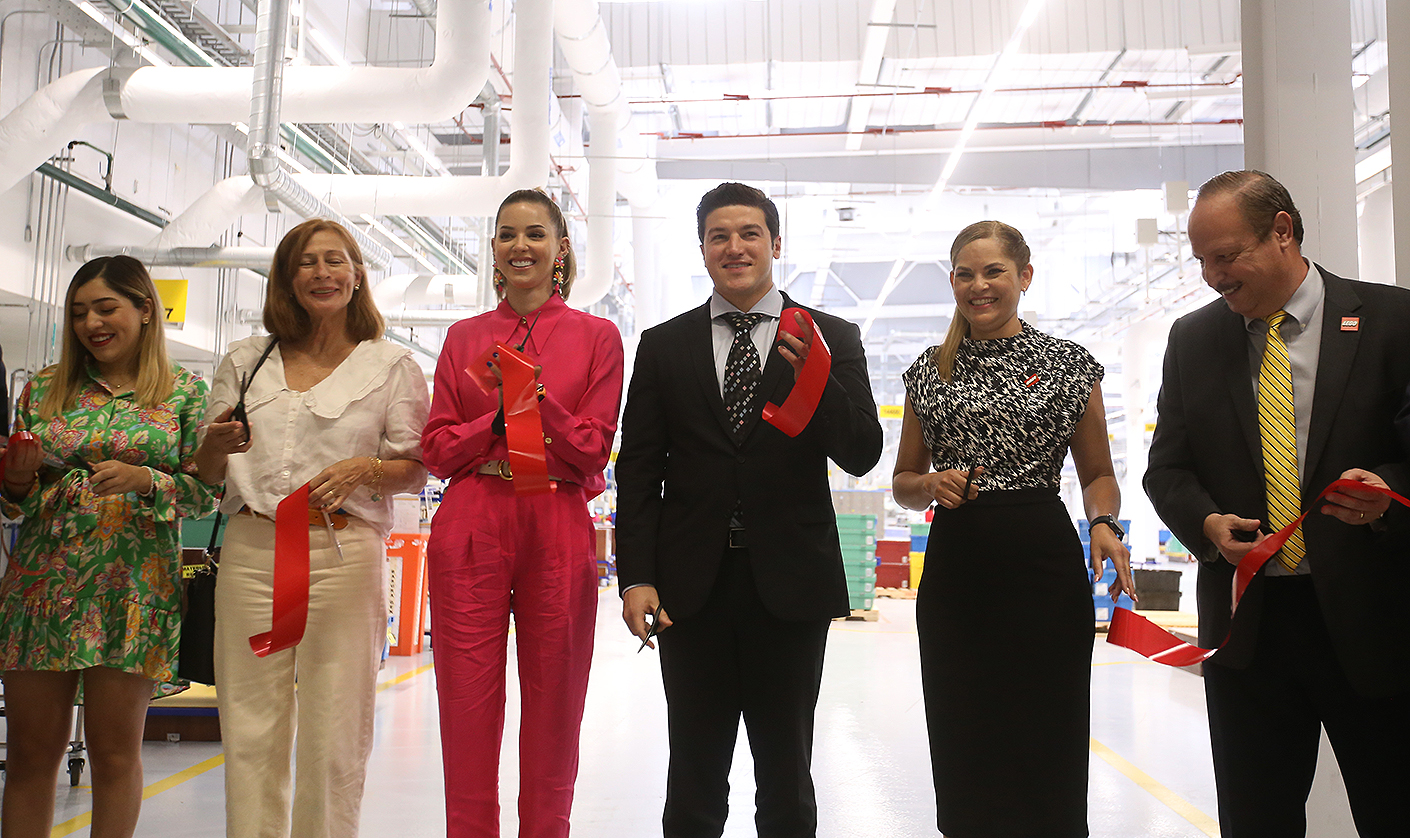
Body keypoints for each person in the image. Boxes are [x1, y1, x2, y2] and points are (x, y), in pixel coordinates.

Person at [1144, 170, 1410, 837]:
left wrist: (1386, 494)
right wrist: (1206, 523)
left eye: (1226, 256)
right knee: (1257, 821)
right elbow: (1167, 470)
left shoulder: (1394, 322)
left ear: (1282, 231)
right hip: (1249, 632)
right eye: (1201, 261)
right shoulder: (1193, 340)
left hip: (1373, 623)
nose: (1213, 277)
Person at [615, 182, 882, 838]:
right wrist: (636, 575)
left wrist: (819, 380)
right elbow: (639, 471)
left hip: (789, 584)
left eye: (749, 233)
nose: (734, 247)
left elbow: (862, 453)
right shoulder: (664, 345)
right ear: (703, 248)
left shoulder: (830, 336)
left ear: (775, 243)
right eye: (719, 236)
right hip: (690, 588)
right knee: (693, 775)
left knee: (787, 774)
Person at [890, 221, 1134, 837]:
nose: (979, 285)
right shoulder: (929, 371)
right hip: (958, 568)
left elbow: (1098, 473)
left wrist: (1104, 523)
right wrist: (930, 484)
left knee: (1048, 725)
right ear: (952, 283)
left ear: (1024, 277)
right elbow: (903, 481)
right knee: (963, 726)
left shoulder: (1068, 365)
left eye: (994, 271)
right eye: (965, 274)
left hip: (1041, 561)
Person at [195, 218, 429, 838]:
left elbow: (415, 467)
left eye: (335, 260)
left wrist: (366, 469)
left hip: (343, 554)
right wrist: (214, 446)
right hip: (252, 550)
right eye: (306, 262)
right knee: (250, 725)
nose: (321, 273)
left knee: (336, 730)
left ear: (357, 275)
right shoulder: (246, 360)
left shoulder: (392, 365)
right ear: (286, 278)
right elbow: (206, 469)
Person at [421, 188, 623, 838]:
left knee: (556, 702)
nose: (521, 246)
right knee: (465, 702)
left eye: (536, 233)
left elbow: (593, 447)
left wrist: (535, 400)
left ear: (561, 248)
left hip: (556, 515)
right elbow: (436, 448)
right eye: (507, 234)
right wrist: (496, 422)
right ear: (493, 250)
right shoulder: (463, 337)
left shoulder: (597, 337)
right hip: (473, 515)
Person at [0, 256, 218, 838]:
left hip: (133, 591)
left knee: (115, 755)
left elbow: (207, 495)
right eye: (78, 313)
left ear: (145, 309)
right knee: (29, 756)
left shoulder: (185, 394)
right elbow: (17, 505)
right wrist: (16, 480)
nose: (91, 324)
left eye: (105, 308)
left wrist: (147, 479)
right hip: (41, 589)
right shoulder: (45, 388)